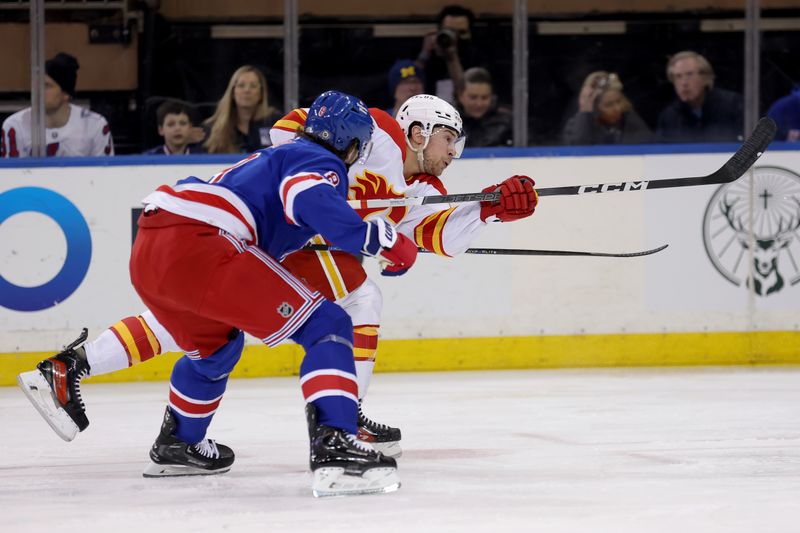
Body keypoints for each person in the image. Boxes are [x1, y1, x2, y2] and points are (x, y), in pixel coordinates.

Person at [18, 94, 537, 463]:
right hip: (259, 230)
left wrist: (489, 208)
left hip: (237, 235)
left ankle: (80, 372)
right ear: (419, 130)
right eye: (449, 139)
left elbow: (431, 237)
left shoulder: (415, 190)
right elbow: (291, 134)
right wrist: (344, 209)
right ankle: (342, 419)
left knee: (205, 332)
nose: (454, 153)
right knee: (355, 302)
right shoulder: (374, 129)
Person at [1, 52, 114, 157]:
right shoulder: (14, 127)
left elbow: (105, 175)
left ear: (66, 94)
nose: (37, 90)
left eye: (47, 86)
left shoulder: (95, 125)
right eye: (36, 84)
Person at [656, 51, 744, 143]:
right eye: (678, 76)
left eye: (689, 74)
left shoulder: (733, 105)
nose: (684, 83)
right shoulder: (669, 117)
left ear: (706, 77)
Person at [201, 65, 283, 154]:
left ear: (261, 93)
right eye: (241, 85)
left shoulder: (276, 123)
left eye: (253, 86)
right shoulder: (212, 128)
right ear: (232, 92)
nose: (247, 90)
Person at [416, 5, 486, 104]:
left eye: (461, 32)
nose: (455, 37)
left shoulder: (477, 57)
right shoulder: (428, 54)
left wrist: (452, 59)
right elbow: (408, 84)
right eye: (450, 31)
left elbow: (470, 94)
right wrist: (424, 54)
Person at [562, 71, 652, 145]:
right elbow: (578, 152)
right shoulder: (576, 126)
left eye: (619, 101)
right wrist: (585, 111)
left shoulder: (630, 121)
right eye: (609, 105)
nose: (618, 108)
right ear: (594, 108)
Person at [455, 67, 513, 147]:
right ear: (460, 96)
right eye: (473, 97)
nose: (479, 104)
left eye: (484, 97)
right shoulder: (447, 121)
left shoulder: (507, 121)